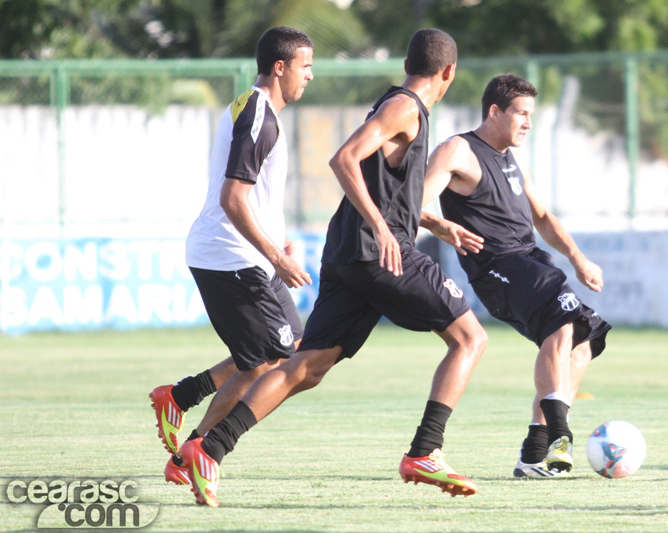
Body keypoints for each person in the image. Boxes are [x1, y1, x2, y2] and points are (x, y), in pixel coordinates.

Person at [178, 28, 488, 507]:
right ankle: (426, 451)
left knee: (307, 365)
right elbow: (343, 159)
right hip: (379, 252)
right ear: (449, 72)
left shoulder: (398, 105)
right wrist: (384, 229)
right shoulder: (406, 108)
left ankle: (209, 448)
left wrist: (434, 222)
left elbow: (385, 187)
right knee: (471, 338)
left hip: (347, 255)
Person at [420, 73, 611, 477]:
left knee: (582, 342)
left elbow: (542, 217)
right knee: (562, 325)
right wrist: (441, 228)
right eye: (521, 113)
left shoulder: (513, 158)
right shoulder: (458, 150)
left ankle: (534, 452)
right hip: (497, 269)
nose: (527, 122)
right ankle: (561, 433)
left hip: (531, 261)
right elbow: (415, 203)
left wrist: (578, 258)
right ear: (494, 111)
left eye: (531, 114)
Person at [149, 26, 314, 486]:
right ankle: (198, 452)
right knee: (268, 362)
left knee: (281, 354)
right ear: (280, 67)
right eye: (305, 66)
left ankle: (185, 413)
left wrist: (276, 240)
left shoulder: (255, 108)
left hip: (243, 255)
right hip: (231, 257)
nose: (311, 76)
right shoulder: (259, 115)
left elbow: (252, 195)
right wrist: (275, 256)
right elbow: (232, 197)